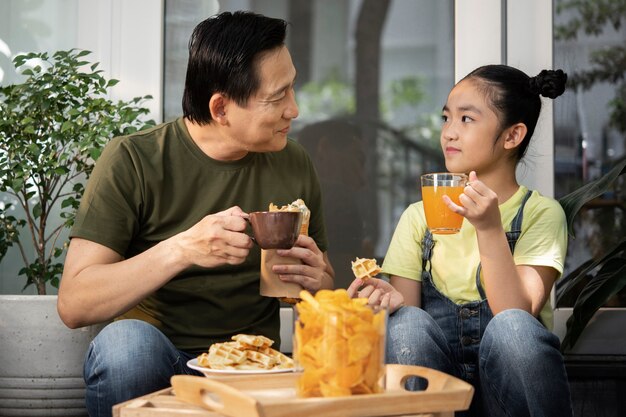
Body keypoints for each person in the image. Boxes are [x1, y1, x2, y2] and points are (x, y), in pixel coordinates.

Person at [57, 11, 334, 417]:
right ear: (221, 108)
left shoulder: (293, 162)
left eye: (292, 88)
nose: (294, 109)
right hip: (162, 360)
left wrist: (318, 280)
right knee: (124, 346)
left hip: (255, 365)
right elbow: (75, 302)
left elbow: (324, 284)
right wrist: (183, 249)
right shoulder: (134, 159)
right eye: (278, 97)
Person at [347, 65, 572, 416]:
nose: (449, 133)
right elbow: (407, 335)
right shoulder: (418, 217)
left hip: (511, 397)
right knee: (404, 321)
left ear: (512, 136)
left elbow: (516, 311)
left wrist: (489, 228)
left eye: (466, 119)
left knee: (513, 328)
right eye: (446, 118)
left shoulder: (541, 213)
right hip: (439, 392)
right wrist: (384, 301)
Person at [297, 118, 374, 288]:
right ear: (324, 148)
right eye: (358, 160)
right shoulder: (338, 197)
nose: (362, 179)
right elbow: (346, 280)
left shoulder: (286, 193)